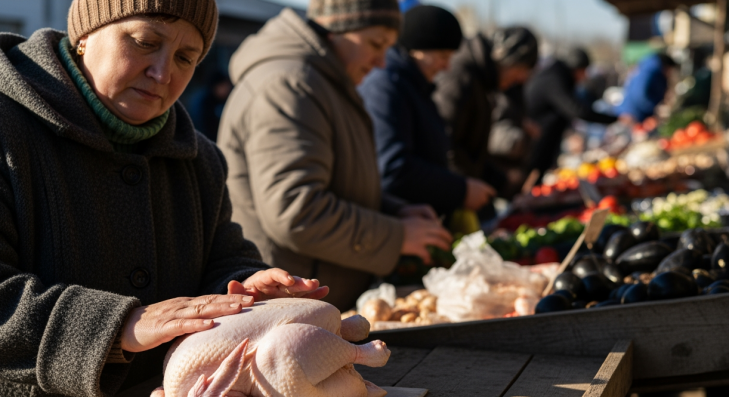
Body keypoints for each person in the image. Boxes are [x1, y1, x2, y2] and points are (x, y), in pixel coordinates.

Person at [0, 0, 330, 397]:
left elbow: (222, 260)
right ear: (85, 35)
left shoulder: (199, 161)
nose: (163, 72)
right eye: (145, 42)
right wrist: (118, 326)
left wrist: (248, 286)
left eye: (185, 57)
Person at [219, 0, 452, 310]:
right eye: (375, 44)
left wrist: (394, 211)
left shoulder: (323, 80)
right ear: (334, 30)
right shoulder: (290, 86)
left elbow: (336, 180)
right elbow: (296, 210)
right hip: (286, 305)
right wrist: (396, 236)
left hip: (315, 299)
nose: (381, 62)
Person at [359, 5, 495, 224]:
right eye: (442, 56)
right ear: (416, 49)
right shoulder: (386, 87)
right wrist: (460, 190)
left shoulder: (416, 86)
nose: (447, 66)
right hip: (397, 224)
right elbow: (393, 168)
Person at [432, 27, 538, 217]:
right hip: (449, 199)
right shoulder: (460, 77)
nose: (519, 79)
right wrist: (462, 190)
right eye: (520, 71)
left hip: (463, 190)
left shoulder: (482, 80)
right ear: (507, 59)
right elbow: (444, 144)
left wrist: (505, 184)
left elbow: (473, 149)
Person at [524, 48, 618, 178]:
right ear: (576, 67)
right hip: (533, 142)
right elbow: (576, 110)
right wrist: (613, 119)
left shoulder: (557, 75)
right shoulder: (554, 78)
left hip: (543, 138)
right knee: (532, 176)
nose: (584, 77)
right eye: (583, 71)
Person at [617, 53, 679, 124]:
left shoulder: (654, 72)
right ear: (666, 67)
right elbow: (639, 94)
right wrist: (654, 109)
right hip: (632, 115)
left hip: (639, 115)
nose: (670, 74)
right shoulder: (649, 72)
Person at [188, 71, 233, 141]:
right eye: (223, 86)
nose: (227, 88)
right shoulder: (204, 104)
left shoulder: (227, 99)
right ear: (216, 86)